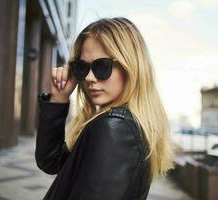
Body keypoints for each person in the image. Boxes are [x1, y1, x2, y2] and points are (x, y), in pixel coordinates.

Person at [35, 17, 176, 200]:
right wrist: (59, 98)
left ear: (131, 66)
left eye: (102, 66)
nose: (89, 78)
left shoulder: (114, 128)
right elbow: (51, 163)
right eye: (82, 67)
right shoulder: (123, 124)